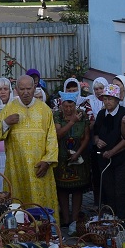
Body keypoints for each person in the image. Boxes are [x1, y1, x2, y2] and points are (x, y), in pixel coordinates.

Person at [0, 74, 59, 214]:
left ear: (34, 88)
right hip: (17, 168)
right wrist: (6, 122)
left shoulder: (44, 109)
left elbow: (52, 137)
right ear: (16, 89)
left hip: (40, 167)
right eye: (22, 89)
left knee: (41, 207)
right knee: (18, 207)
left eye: (29, 88)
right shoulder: (10, 108)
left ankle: (44, 227)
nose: (26, 92)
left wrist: (47, 161)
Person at [90, 83, 125, 220]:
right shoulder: (102, 113)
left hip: (121, 158)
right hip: (104, 158)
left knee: (121, 188)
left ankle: (122, 218)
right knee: (108, 188)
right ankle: (110, 216)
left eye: (110, 99)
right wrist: (97, 140)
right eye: (105, 99)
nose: (107, 102)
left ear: (117, 100)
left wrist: (112, 152)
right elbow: (96, 132)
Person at [52, 94, 91, 225]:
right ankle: (65, 218)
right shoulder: (57, 115)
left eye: (71, 106)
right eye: (66, 106)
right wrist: (72, 122)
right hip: (62, 157)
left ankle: (74, 219)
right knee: (62, 189)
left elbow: (86, 137)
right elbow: (58, 134)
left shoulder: (82, 115)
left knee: (77, 189)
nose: (68, 109)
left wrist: (78, 153)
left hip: (78, 157)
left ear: (75, 105)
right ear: (61, 106)